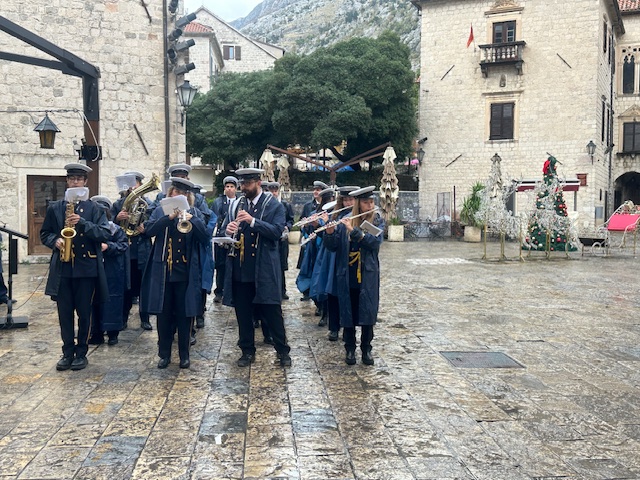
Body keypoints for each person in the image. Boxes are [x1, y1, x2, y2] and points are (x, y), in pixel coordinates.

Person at [40, 163, 111, 371]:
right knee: (64, 313)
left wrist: (82, 223)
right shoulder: (56, 207)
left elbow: (104, 233)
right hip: (63, 268)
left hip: (86, 268)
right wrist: (55, 241)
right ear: (67, 181)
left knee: (84, 312)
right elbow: (45, 233)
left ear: (85, 182)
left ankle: (81, 353)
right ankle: (67, 352)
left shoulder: (95, 208)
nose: (75, 182)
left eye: (79, 179)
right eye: (72, 179)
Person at [221, 168, 292, 368]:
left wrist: (252, 221)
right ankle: (247, 350)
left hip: (264, 268)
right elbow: (224, 229)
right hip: (241, 268)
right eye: (242, 184)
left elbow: (277, 232)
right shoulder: (237, 204)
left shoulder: (274, 205)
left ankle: (282, 350)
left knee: (272, 311)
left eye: (248, 184)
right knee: (243, 313)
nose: (244, 188)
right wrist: (227, 231)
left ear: (258, 183)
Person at [141, 177, 210, 369]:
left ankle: (184, 355)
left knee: (185, 316)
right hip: (163, 272)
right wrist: (168, 218)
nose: (180, 196)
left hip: (185, 273)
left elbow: (205, 238)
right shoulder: (159, 211)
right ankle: (164, 354)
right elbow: (148, 231)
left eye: (184, 194)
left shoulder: (195, 212)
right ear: (170, 193)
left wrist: (193, 220)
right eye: (177, 192)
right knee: (163, 316)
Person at [324, 186, 384, 366]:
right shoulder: (346, 220)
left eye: (371, 202)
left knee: (367, 312)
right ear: (358, 204)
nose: (370, 206)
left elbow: (374, 243)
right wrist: (329, 233)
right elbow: (333, 247)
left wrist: (354, 231)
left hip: (367, 275)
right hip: (348, 274)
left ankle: (366, 348)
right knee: (348, 312)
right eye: (366, 202)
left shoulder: (377, 221)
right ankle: (349, 348)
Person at [112, 171, 153, 331]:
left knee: (144, 287)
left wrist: (146, 227)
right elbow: (108, 226)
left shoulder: (148, 204)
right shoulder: (119, 204)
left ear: (140, 185)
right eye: (129, 184)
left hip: (142, 249)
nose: (132, 187)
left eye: (135, 183)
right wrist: (117, 218)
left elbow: (154, 222)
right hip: (125, 250)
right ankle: (123, 318)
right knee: (125, 287)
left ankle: (145, 318)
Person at [89, 196, 129, 346]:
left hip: (112, 271)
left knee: (113, 301)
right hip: (93, 270)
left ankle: (113, 333)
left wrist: (109, 247)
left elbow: (123, 245)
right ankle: (96, 333)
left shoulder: (115, 229)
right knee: (94, 301)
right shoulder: (90, 229)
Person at [297, 180, 329, 299]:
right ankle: (307, 291)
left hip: (321, 241)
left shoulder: (329, 208)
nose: (315, 192)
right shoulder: (308, 206)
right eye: (314, 189)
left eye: (318, 190)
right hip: (310, 241)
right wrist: (305, 226)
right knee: (308, 266)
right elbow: (303, 220)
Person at [211, 175, 238, 303]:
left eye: (232, 186)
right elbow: (215, 218)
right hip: (221, 237)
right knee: (220, 266)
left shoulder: (239, 201)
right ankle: (219, 291)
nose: (229, 189)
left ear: (236, 189)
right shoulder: (218, 202)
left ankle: (231, 290)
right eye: (227, 186)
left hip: (235, 237)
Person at [267, 181, 294, 300]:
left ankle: (282, 290)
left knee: (281, 265)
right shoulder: (266, 205)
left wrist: (287, 227)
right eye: (271, 191)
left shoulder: (285, 205)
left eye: (275, 191)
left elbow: (291, 219)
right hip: (270, 238)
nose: (273, 193)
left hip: (282, 239)